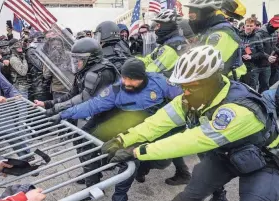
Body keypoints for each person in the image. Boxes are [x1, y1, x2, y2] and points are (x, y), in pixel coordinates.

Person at [102, 45, 279, 201]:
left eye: (191, 86)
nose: (184, 93)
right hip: (224, 155)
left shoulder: (239, 109)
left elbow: (192, 140)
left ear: (211, 82)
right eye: (183, 86)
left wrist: (137, 151)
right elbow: (156, 123)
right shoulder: (192, 98)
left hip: (264, 160)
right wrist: (122, 139)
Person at [51, 58, 183, 200]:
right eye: (124, 78)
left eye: (131, 79)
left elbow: (183, 101)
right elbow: (92, 105)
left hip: (155, 124)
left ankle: (140, 172)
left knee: (159, 161)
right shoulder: (117, 89)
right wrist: (64, 114)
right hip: (127, 124)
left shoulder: (160, 82)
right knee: (112, 151)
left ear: (142, 76)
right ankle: (107, 190)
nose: (126, 83)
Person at [34, 38, 117, 116]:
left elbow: (83, 99)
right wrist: (46, 104)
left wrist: (56, 111)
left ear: (90, 59)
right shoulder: (83, 72)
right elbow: (71, 95)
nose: (76, 63)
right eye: (75, 60)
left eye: (79, 59)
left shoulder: (102, 73)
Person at [186, 0, 247, 80]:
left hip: (226, 83)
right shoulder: (209, 31)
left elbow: (209, 67)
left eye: (192, 17)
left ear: (205, 15)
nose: (190, 21)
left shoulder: (220, 34)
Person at [142, 9, 188, 77]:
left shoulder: (170, 49)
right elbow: (148, 59)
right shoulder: (166, 44)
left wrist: (133, 69)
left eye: (158, 26)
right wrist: (131, 60)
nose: (155, 30)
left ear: (166, 26)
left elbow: (150, 73)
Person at [239, 18, 266, 91]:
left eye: (251, 26)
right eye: (247, 25)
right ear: (244, 26)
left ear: (254, 26)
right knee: (240, 88)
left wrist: (251, 57)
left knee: (251, 89)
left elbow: (261, 53)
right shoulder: (238, 35)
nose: (249, 27)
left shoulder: (257, 37)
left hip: (252, 68)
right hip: (239, 66)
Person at [25, 33, 50, 101]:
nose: (42, 41)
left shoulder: (45, 49)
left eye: (43, 38)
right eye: (40, 39)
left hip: (47, 84)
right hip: (38, 85)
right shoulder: (31, 50)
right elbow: (40, 66)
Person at [256, 15, 279, 86]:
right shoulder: (259, 34)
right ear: (269, 23)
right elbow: (258, 49)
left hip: (267, 65)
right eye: (274, 27)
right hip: (256, 64)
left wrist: (277, 51)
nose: (275, 28)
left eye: (277, 27)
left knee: (265, 85)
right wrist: (268, 57)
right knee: (252, 86)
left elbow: (273, 46)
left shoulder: (275, 33)